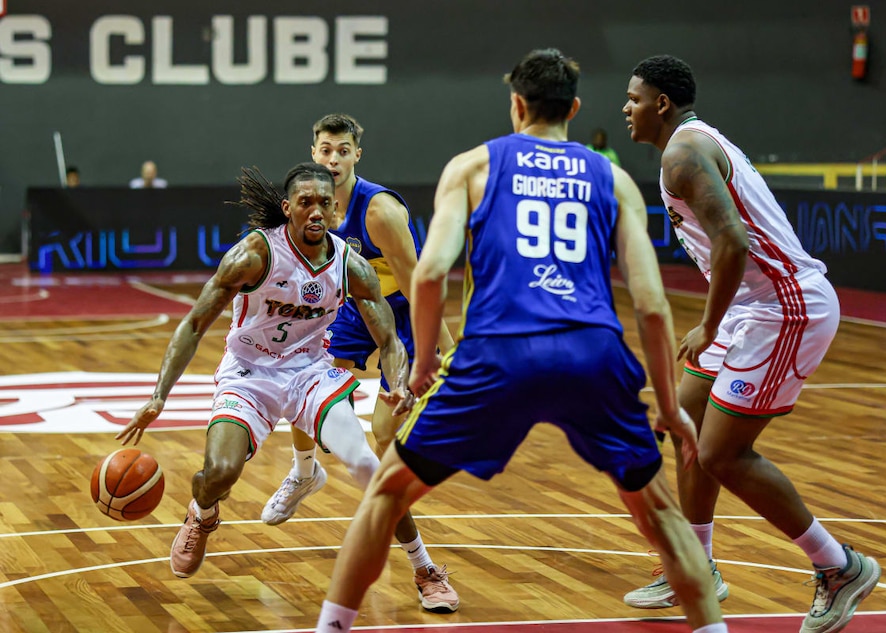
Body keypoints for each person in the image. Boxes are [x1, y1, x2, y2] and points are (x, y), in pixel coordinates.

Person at [313, 48, 728, 633]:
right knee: (659, 510)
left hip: (497, 354)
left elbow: (429, 275)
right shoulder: (610, 177)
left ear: (516, 105)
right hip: (592, 353)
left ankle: (332, 625)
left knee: (386, 495)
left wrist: (427, 360)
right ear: (575, 109)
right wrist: (667, 402)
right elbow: (653, 306)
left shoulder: (473, 167)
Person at [621, 55, 880, 633]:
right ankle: (697, 564)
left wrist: (708, 326)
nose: (626, 107)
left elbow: (733, 242)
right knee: (684, 425)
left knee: (720, 453)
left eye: (634, 97)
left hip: (787, 308)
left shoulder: (683, 153)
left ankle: (840, 567)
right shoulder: (688, 145)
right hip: (750, 307)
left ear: (661, 103)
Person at [115, 161, 410, 581]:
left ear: (335, 212)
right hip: (249, 371)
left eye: (324, 203)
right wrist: (159, 395)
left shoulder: (351, 265)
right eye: (306, 202)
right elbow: (195, 324)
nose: (316, 212)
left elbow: (390, 341)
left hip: (308, 370)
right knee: (219, 473)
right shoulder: (255, 254)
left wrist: (396, 383)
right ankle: (201, 514)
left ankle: (425, 568)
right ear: (288, 208)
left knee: (367, 464)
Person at [259, 113, 460, 613]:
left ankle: (418, 552)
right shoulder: (310, 208)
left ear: (356, 156)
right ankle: (305, 471)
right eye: (325, 149)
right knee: (298, 382)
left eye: (342, 150)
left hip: (402, 312)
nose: (333, 159)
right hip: (352, 309)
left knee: (383, 433)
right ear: (314, 150)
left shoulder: (380, 212)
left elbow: (420, 281)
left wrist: (448, 348)